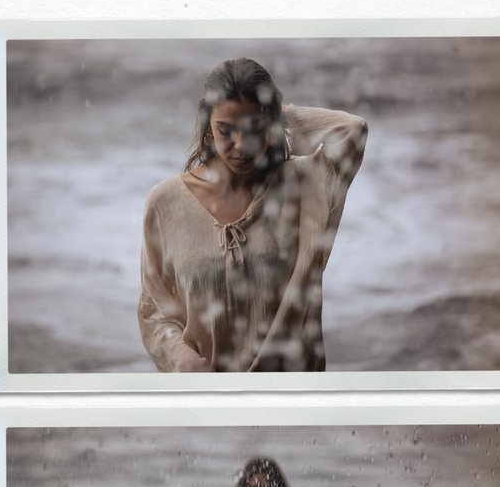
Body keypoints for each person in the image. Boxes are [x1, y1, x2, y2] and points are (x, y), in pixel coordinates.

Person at [138, 57, 368, 372]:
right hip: (209, 393)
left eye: (254, 129)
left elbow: (352, 130)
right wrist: (182, 358)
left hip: (291, 391)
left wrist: (280, 112)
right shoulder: (165, 203)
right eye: (226, 130)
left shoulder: (300, 184)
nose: (241, 146)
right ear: (207, 126)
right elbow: (155, 311)